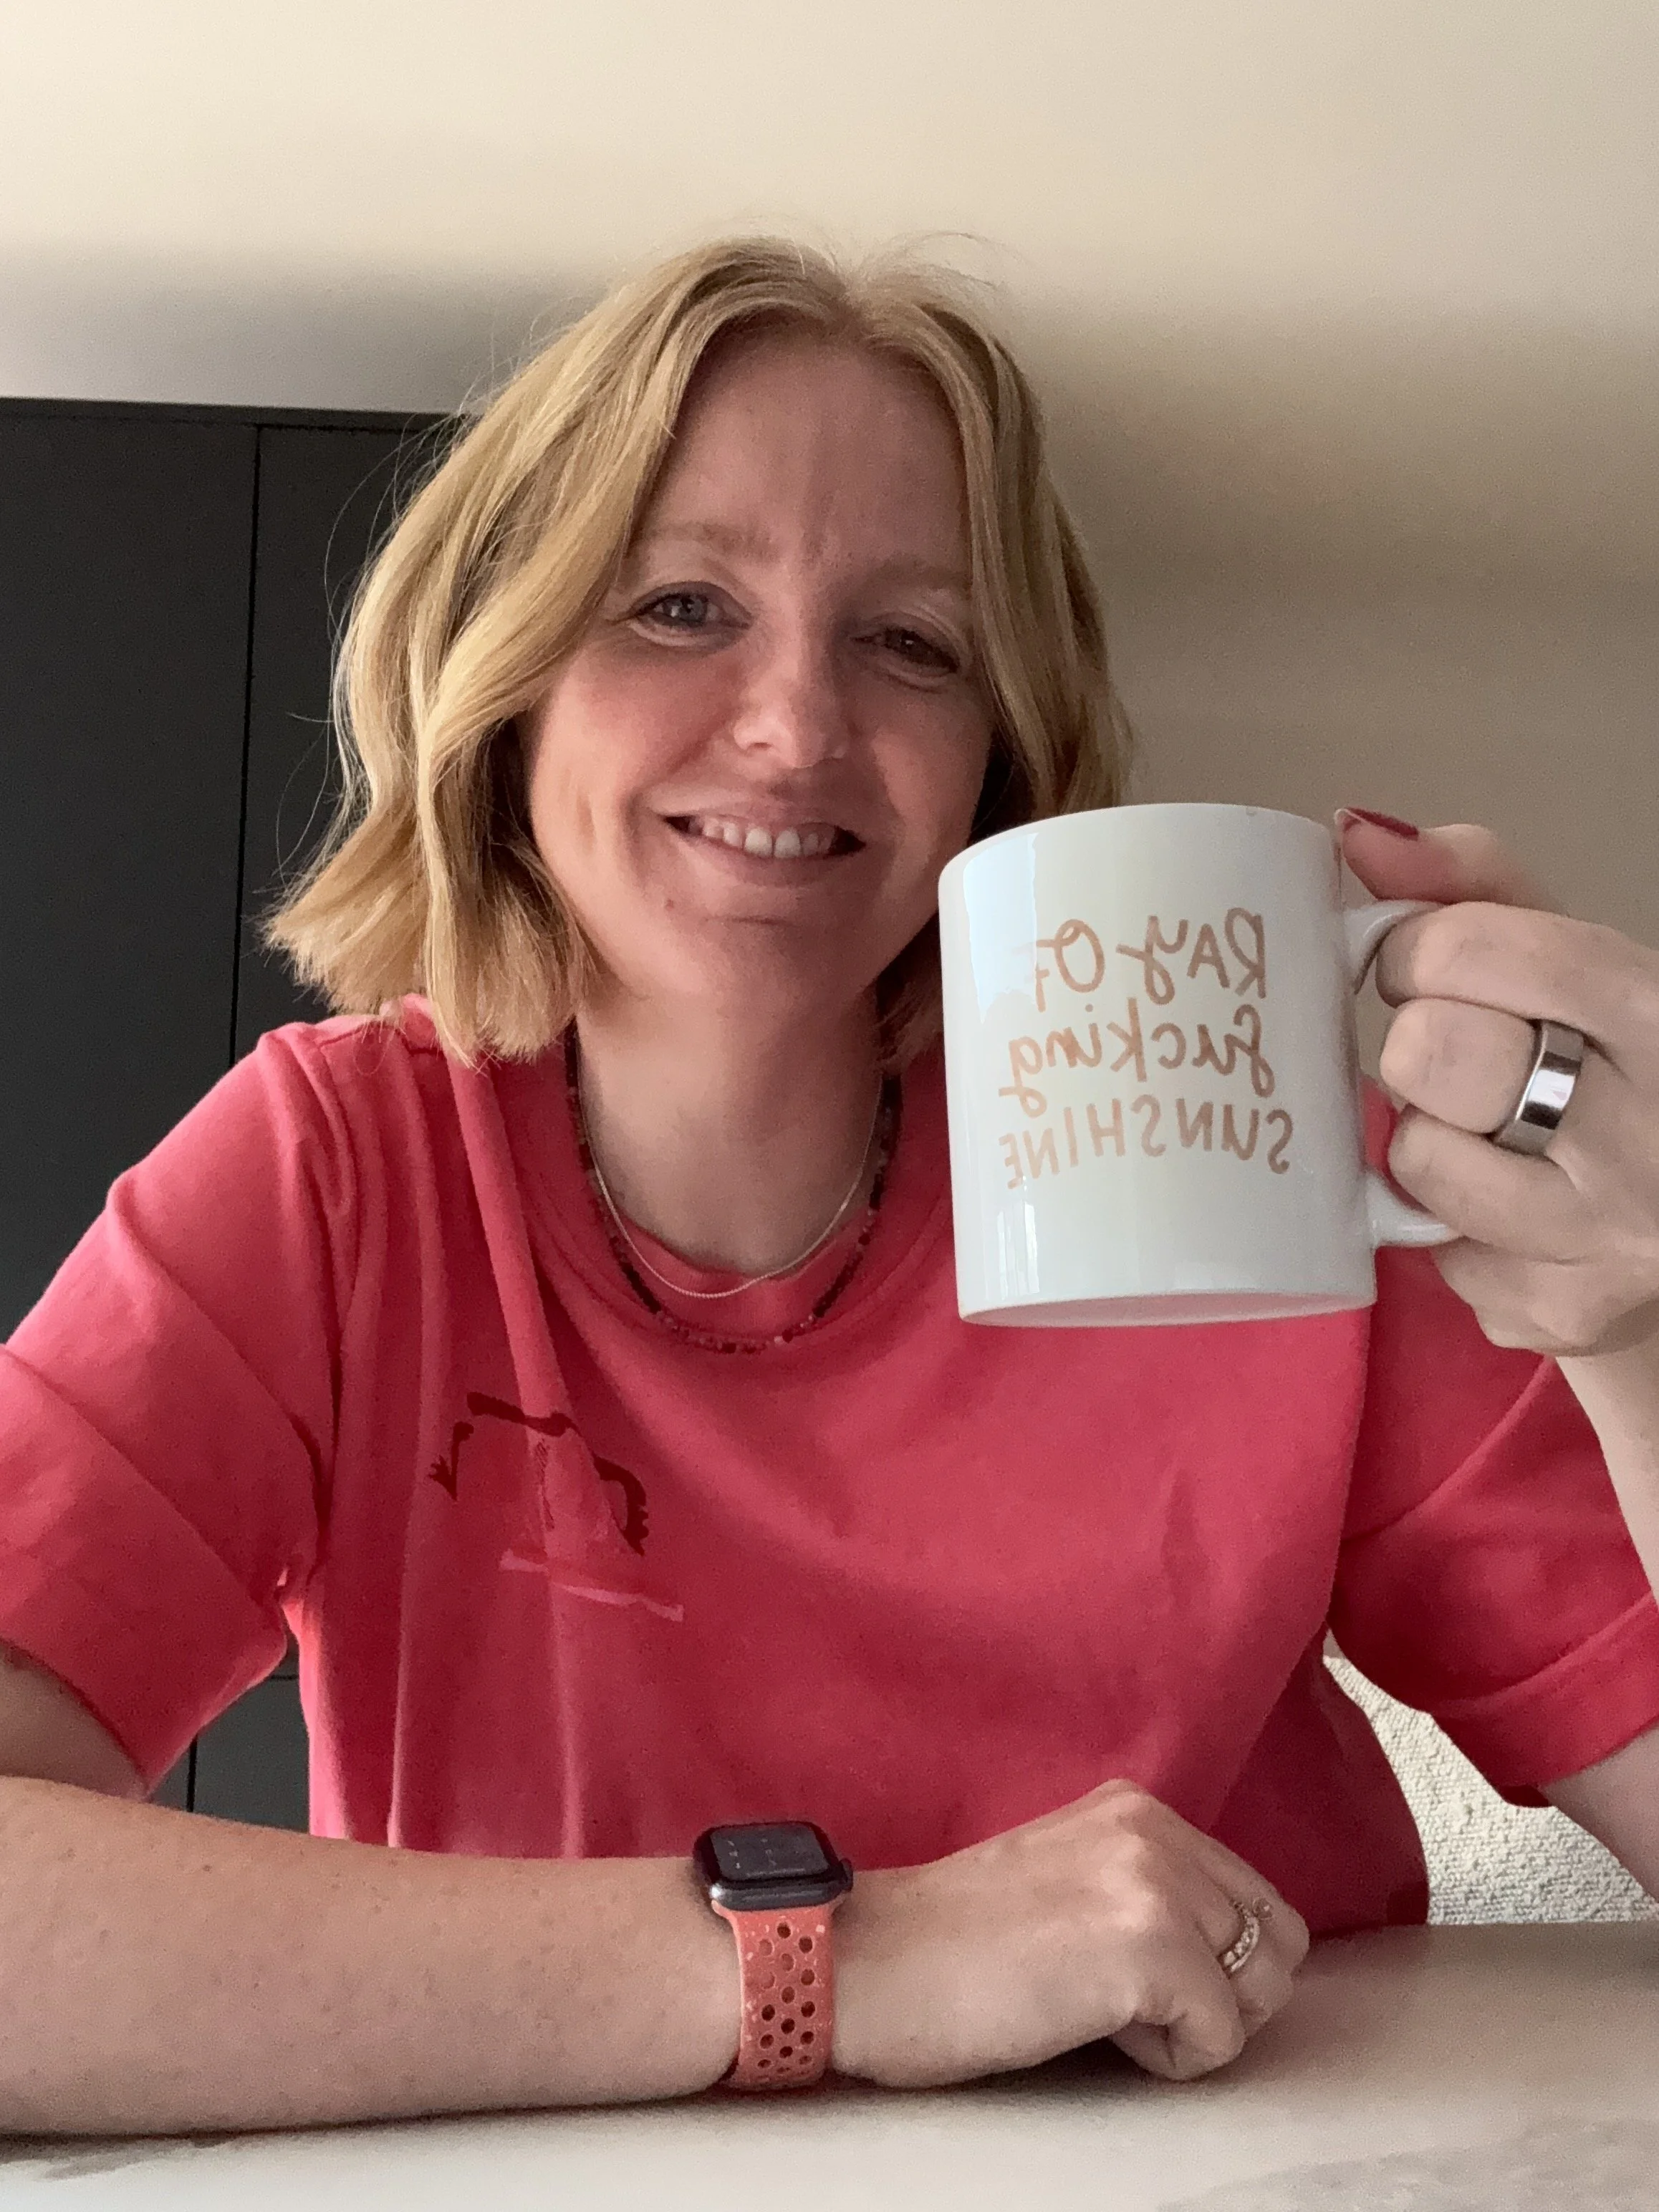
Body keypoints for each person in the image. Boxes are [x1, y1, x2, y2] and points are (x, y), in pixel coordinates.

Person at [2, 236, 1658, 2136]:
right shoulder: (336, 1175)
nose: (796, 726)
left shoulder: (1259, 1166)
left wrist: (1635, 1332)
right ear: (507, 681)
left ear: (991, 765)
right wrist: (842, 1958)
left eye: (910, 642)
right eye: (681, 607)